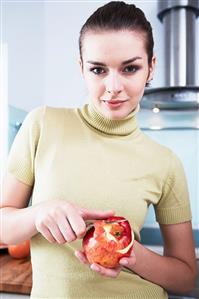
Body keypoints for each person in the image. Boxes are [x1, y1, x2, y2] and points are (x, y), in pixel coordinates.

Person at [1, 1, 197, 298]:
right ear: (82, 68)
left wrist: (130, 254)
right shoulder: (41, 124)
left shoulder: (166, 163)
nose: (113, 86)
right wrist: (38, 214)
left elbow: (185, 279)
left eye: (130, 68)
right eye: (98, 69)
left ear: (151, 67)